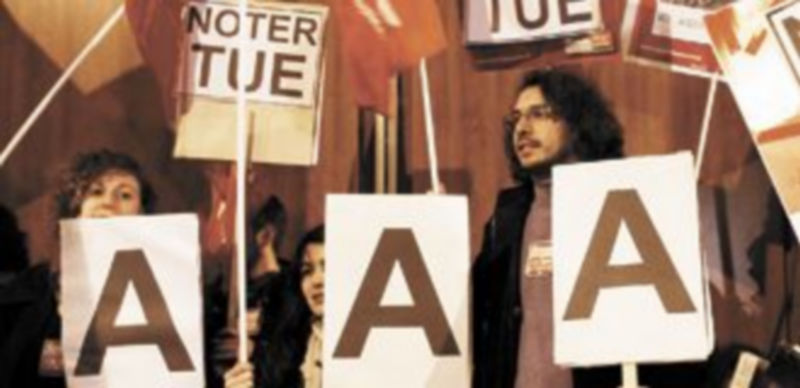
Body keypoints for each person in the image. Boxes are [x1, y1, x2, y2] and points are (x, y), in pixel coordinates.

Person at [471, 68, 624, 388]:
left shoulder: (619, 205)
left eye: (539, 114)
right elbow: (475, 315)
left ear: (578, 121)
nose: (522, 129)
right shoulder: (506, 218)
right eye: (515, 120)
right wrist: (440, 229)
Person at [33, 149, 156, 387]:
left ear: (142, 215)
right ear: (76, 208)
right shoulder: (32, 291)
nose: (108, 203)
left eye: (125, 195)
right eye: (96, 192)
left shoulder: (170, 292)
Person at [226, 225, 325, 388]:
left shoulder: (374, 346)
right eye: (307, 271)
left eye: (328, 268)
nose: (316, 280)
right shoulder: (288, 346)